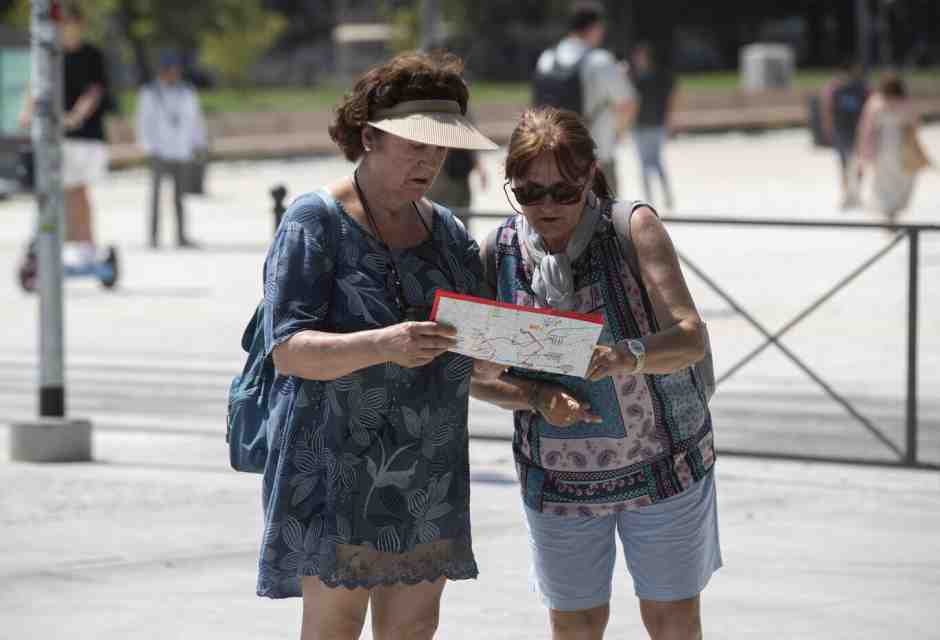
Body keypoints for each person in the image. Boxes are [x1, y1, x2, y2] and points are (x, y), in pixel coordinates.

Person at [255, 51, 497, 640]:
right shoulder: (315, 221)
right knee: (334, 629)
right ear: (368, 136)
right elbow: (288, 349)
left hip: (428, 467)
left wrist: (538, 373)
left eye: (440, 147)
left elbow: (483, 354)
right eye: (415, 144)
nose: (430, 160)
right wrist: (383, 344)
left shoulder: (449, 233)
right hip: (335, 463)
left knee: (414, 630)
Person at [472, 107, 720, 640]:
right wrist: (536, 395)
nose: (547, 205)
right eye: (529, 191)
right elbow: (474, 374)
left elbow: (690, 337)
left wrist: (624, 356)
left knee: (673, 620)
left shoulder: (629, 227)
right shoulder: (500, 251)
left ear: (589, 175)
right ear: (509, 185)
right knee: (575, 625)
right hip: (558, 482)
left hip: (664, 470)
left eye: (563, 190)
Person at [19, 2, 112, 270]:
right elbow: (34, 84)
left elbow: (93, 92)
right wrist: (26, 114)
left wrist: (75, 116)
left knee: (76, 192)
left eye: (68, 24)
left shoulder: (90, 55)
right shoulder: (50, 53)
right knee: (56, 192)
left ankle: (83, 247)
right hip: (54, 136)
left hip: (83, 137)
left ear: (78, 25)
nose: (64, 30)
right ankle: (64, 248)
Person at [532, 1, 635, 187]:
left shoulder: (546, 58)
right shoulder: (600, 61)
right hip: (596, 158)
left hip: (555, 161)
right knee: (604, 214)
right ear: (594, 28)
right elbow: (627, 104)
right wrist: (618, 134)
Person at [136, 50, 207, 248]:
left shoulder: (187, 92)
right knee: (156, 196)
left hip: (181, 150)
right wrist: (147, 146)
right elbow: (143, 122)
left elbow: (196, 120)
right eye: (169, 70)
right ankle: (153, 237)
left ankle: (181, 236)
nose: (173, 74)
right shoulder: (149, 93)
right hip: (158, 150)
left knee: (180, 197)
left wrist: (199, 143)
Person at [857, 73, 926, 223]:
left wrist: (864, 152)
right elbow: (915, 125)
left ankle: (889, 212)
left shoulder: (875, 102)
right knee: (901, 180)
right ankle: (893, 212)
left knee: (884, 182)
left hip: (882, 146)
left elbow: (866, 129)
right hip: (902, 146)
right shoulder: (906, 103)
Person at [629, 42, 677, 210]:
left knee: (653, 163)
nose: (637, 60)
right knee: (648, 164)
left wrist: (668, 120)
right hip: (643, 125)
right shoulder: (637, 77)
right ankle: (654, 199)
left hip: (651, 125)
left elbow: (670, 97)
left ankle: (661, 197)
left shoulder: (652, 77)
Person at [820, 61, 869, 209]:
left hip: (851, 129)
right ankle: (850, 193)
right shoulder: (854, 87)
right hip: (846, 129)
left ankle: (853, 193)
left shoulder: (859, 87)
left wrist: (827, 126)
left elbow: (827, 108)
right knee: (849, 163)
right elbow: (828, 107)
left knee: (849, 163)